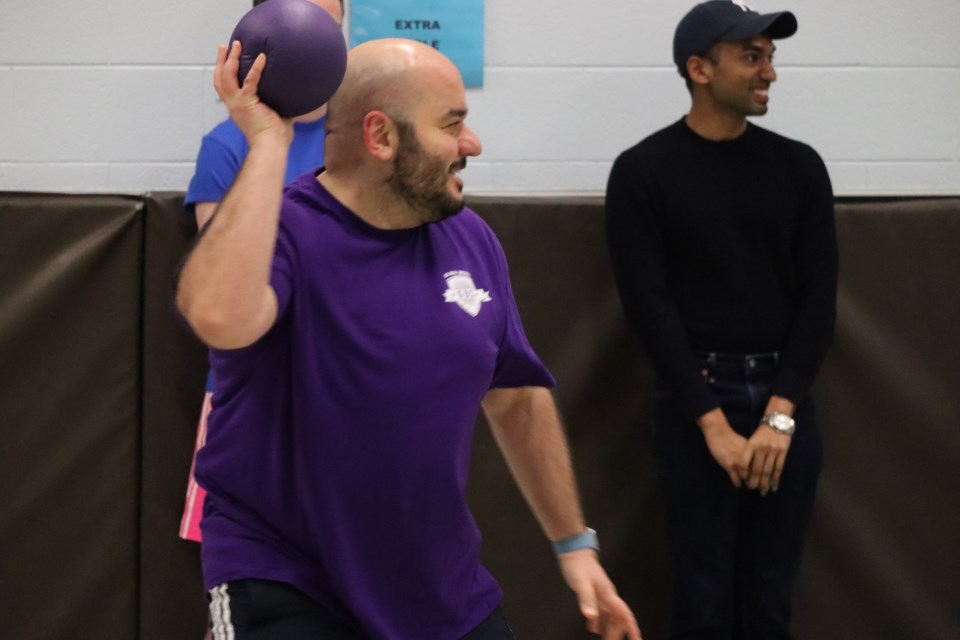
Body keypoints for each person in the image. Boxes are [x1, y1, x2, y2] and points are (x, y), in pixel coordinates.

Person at [176, 36, 642, 640]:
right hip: (284, 581)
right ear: (381, 137)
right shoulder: (283, 231)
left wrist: (575, 546)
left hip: (437, 587)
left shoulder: (472, 240)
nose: (471, 144)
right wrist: (269, 141)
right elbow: (216, 316)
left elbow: (518, 397)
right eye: (453, 125)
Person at [605, 2, 837, 638]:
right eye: (751, 56)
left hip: (783, 403)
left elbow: (819, 300)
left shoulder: (799, 167)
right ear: (699, 69)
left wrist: (779, 417)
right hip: (695, 399)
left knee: (769, 595)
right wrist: (711, 425)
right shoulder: (643, 172)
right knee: (701, 594)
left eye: (770, 57)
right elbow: (648, 307)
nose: (769, 72)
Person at [178, 0, 345, 543]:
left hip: (344, 387)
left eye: (327, 25)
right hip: (249, 394)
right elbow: (225, 281)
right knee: (242, 578)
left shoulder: (363, 139)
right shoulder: (226, 147)